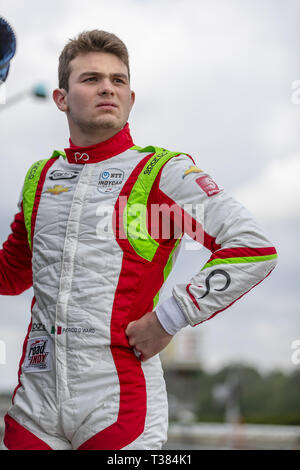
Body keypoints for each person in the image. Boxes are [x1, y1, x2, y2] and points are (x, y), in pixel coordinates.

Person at [0, 30, 277, 450]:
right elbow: (10, 275)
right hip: (35, 402)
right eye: (91, 79)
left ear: (131, 97)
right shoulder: (40, 176)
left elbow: (253, 248)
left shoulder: (164, 171)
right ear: (61, 98)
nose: (107, 87)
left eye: (119, 80)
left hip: (118, 400)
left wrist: (170, 317)